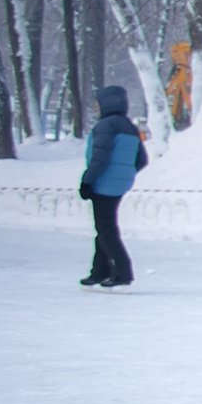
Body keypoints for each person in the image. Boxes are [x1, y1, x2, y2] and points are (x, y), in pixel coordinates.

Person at [77, 83, 146, 288]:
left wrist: (87, 181)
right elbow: (142, 159)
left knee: (106, 229)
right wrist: (124, 174)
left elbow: (100, 158)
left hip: (103, 183)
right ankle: (99, 271)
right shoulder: (130, 127)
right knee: (104, 227)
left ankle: (123, 272)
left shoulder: (105, 126)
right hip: (120, 184)